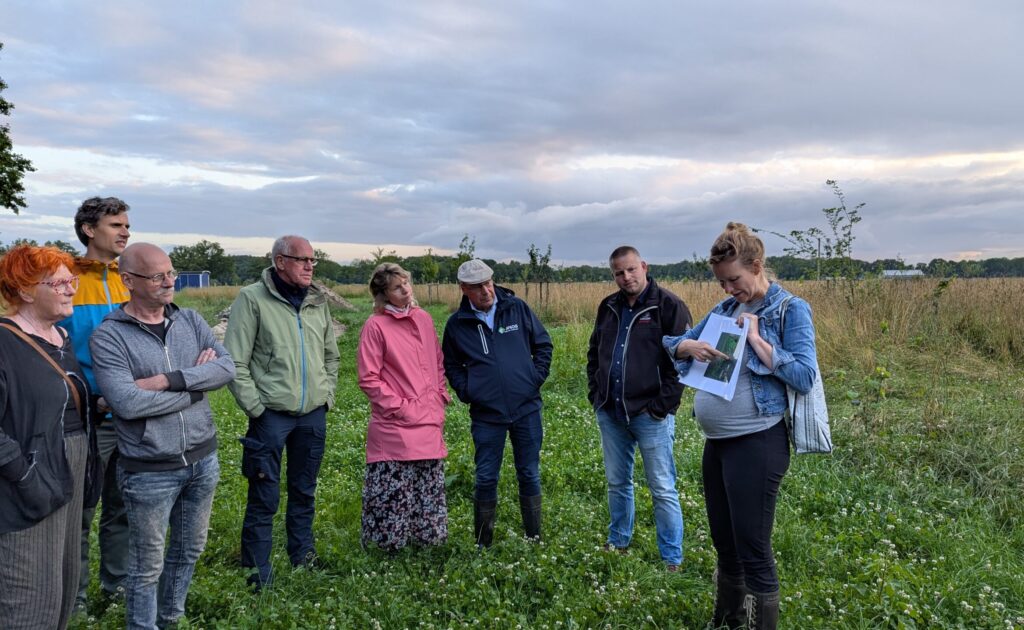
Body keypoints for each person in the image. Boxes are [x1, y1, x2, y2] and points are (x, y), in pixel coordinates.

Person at [663, 223, 819, 630]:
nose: (728, 289)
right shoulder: (724, 310)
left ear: (757, 265)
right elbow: (673, 343)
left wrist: (757, 341)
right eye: (721, 282)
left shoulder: (789, 309)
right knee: (724, 543)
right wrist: (687, 346)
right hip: (717, 444)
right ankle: (726, 621)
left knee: (753, 547)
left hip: (757, 442)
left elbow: (805, 375)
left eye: (734, 279)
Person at [91, 243, 235, 630]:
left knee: (189, 549)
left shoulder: (190, 320)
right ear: (128, 281)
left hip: (202, 460)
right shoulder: (109, 336)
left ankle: (171, 618)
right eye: (157, 276)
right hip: (149, 469)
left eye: (171, 273)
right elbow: (126, 403)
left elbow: (226, 368)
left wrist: (165, 381)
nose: (169, 282)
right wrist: (194, 389)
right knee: (146, 566)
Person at [224, 235, 340, 589]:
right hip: (271, 417)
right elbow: (234, 361)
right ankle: (257, 571)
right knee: (264, 494)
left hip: (312, 415)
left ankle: (303, 556)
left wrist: (326, 395)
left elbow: (331, 355)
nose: (309, 266)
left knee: (304, 489)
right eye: (302, 259)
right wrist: (257, 408)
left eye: (312, 260)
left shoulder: (317, 301)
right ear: (280, 261)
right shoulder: (252, 299)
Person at [0, 245, 91, 629]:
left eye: (72, 281)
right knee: (28, 600)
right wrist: (26, 477)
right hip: (26, 487)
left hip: (69, 475)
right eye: (59, 283)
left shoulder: (60, 337)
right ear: (24, 290)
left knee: (61, 588)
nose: (71, 289)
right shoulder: (5, 342)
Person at [586, 245, 692, 571]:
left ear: (644, 266)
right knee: (618, 483)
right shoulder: (608, 306)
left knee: (662, 487)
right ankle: (619, 541)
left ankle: (671, 558)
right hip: (612, 412)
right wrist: (596, 393)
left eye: (631, 269)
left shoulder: (669, 306)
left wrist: (661, 407)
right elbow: (594, 352)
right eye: (619, 272)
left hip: (650, 416)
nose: (626, 277)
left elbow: (683, 364)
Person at [441, 259, 553, 546]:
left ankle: (534, 536)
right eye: (477, 287)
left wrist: (534, 378)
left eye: (488, 283)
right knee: (486, 476)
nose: (486, 291)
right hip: (486, 415)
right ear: (464, 289)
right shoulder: (457, 325)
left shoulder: (516, 309)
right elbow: (451, 365)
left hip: (526, 409)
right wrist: (468, 390)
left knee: (529, 472)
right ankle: (483, 542)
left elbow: (543, 344)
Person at [58, 196, 132, 611]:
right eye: (115, 225)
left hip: (131, 414)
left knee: (122, 506)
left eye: (127, 226)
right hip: (86, 414)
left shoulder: (132, 277)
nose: (125, 232)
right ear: (89, 230)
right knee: (81, 510)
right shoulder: (65, 278)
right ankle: (75, 597)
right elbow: (54, 348)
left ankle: (116, 585)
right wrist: (87, 396)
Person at [356, 263, 449, 550]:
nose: (405, 290)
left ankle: (427, 544)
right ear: (383, 294)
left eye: (406, 283)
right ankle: (387, 550)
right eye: (397, 287)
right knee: (393, 494)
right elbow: (369, 379)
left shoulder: (424, 318)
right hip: (395, 426)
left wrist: (439, 396)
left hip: (429, 419)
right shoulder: (375, 326)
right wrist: (401, 408)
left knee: (427, 488)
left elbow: (437, 362)